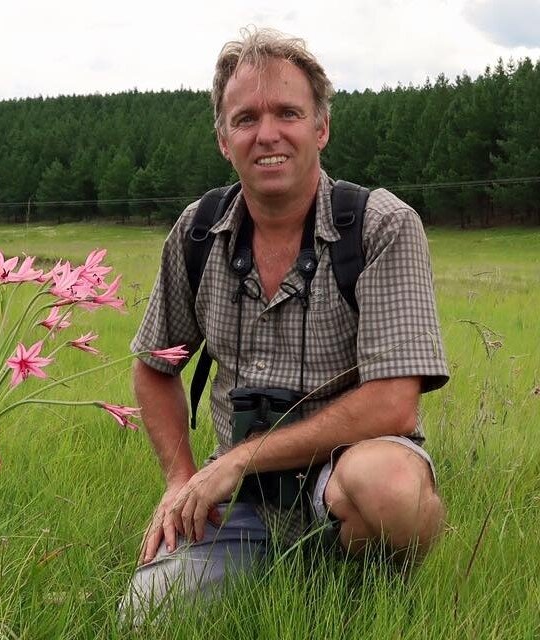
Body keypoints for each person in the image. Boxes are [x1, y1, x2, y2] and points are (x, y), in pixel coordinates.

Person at [122, 26, 449, 624]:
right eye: (245, 118)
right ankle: (263, 566)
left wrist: (239, 458)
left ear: (320, 127)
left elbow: (394, 404)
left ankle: (367, 595)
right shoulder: (197, 234)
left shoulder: (380, 227)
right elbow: (153, 367)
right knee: (146, 617)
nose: (267, 133)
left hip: (343, 481)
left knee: (390, 488)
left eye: (288, 113)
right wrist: (182, 478)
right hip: (240, 503)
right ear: (224, 140)